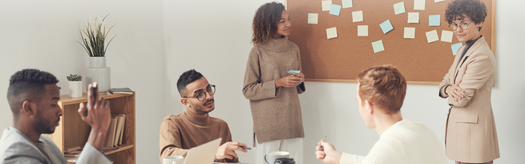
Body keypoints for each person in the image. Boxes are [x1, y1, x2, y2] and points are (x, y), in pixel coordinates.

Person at [316, 65, 448, 164]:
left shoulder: (390, 144)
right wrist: (337, 157)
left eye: (358, 101)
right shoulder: (422, 130)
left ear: (368, 106)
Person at [0, 69, 112, 164]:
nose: (60, 111)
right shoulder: (15, 153)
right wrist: (98, 131)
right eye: (54, 104)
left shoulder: (44, 141)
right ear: (29, 108)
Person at [243, 2, 306, 164]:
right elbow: (248, 90)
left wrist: (299, 80)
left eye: (288, 19)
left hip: (292, 121)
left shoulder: (294, 49)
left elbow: (297, 88)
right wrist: (278, 82)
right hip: (268, 126)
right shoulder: (257, 52)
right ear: (268, 23)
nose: (288, 24)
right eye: (282, 21)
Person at [438, 0, 499, 163]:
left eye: (464, 23)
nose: (458, 29)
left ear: (478, 22)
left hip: (474, 136)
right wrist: (449, 89)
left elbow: (461, 99)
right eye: (454, 24)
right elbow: (444, 82)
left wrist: (449, 91)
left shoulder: (482, 56)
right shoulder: (461, 50)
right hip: (462, 135)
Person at [159, 69, 247, 163]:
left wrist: (232, 157)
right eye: (200, 94)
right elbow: (168, 155)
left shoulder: (221, 125)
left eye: (209, 89)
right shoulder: (172, 122)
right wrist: (212, 154)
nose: (209, 96)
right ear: (186, 102)